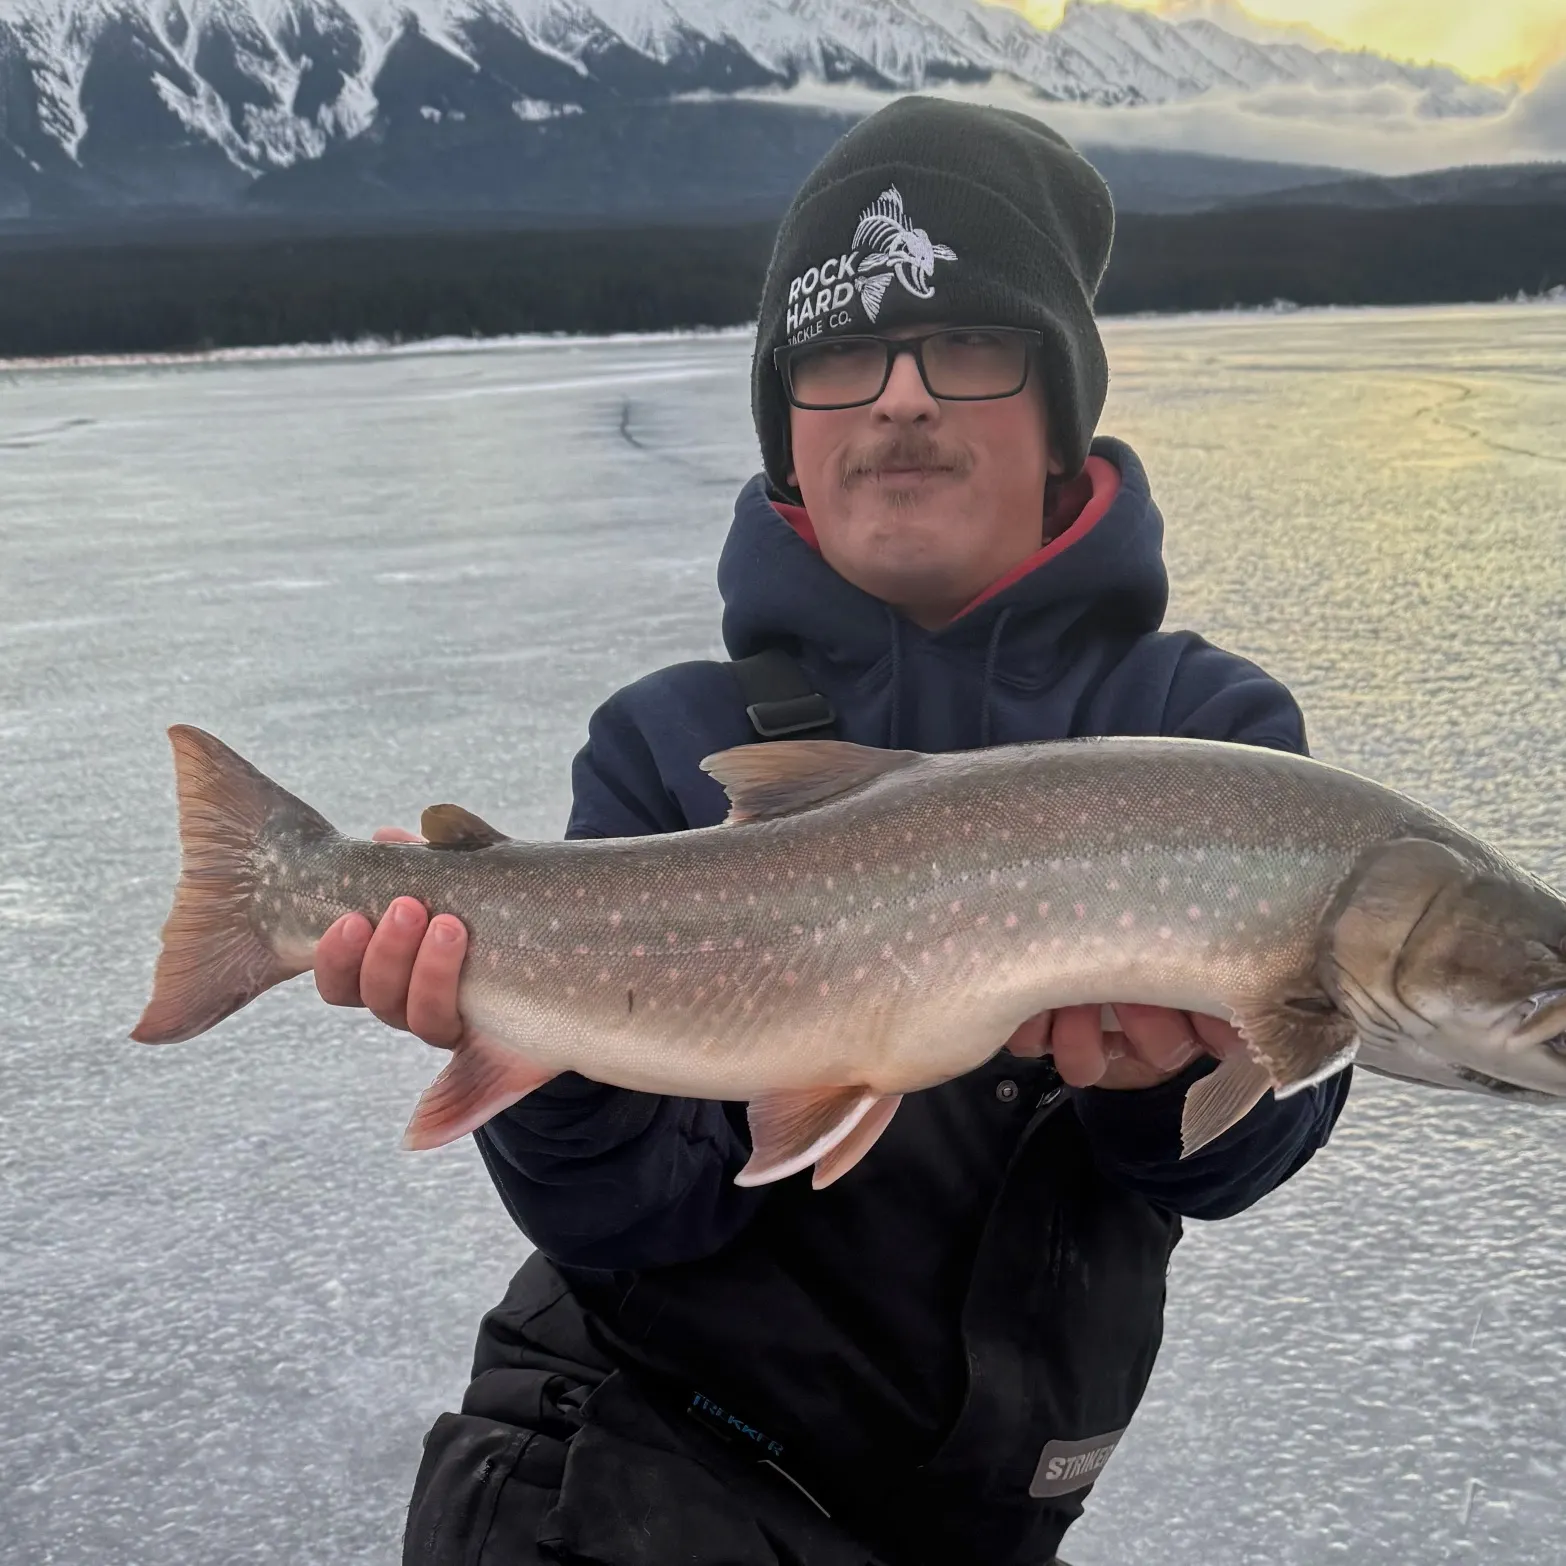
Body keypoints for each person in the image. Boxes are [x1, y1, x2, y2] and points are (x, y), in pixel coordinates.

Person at [316, 97, 1350, 1566]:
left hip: (965, 1517)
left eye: (969, 345)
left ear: (1062, 407)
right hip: (626, 1477)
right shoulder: (672, 743)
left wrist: (1165, 1079)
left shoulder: (1202, 729)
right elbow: (631, 1213)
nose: (900, 398)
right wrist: (537, 1049)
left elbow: (1239, 1152)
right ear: (786, 426)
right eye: (841, 351)